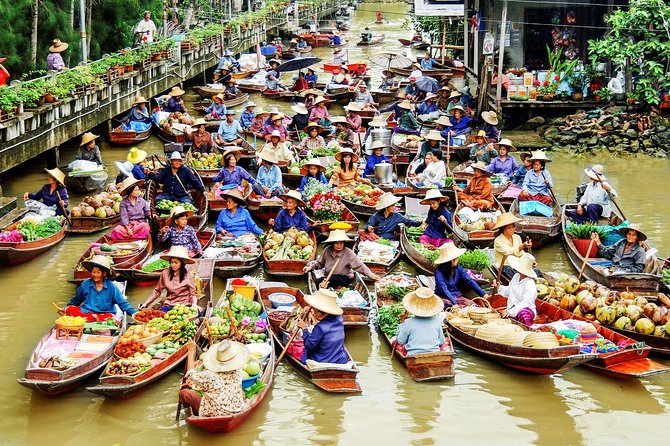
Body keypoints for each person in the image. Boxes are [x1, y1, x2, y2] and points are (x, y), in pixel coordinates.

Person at [179, 340, 248, 417]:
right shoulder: (238, 371)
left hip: (213, 414)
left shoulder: (210, 376)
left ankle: (189, 412)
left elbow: (189, 376)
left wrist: (191, 351)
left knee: (184, 393)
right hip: (237, 410)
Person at [65, 255, 137, 321]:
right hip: (87, 314)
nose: (95, 275)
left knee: (110, 320)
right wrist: (66, 308)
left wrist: (134, 313)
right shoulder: (85, 284)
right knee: (69, 309)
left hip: (104, 316)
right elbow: (76, 300)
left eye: (98, 272)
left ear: (104, 274)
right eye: (93, 272)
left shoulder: (111, 287)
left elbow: (123, 304)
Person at [304, 230, 379, 286]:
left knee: (332, 279)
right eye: (337, 243)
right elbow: (319, 263)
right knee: (317, 282)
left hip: (343, 278)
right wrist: (310, 267)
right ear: (333, 243)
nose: (339, 245)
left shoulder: (348, 252)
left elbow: (360, 266)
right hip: (328, 277)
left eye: (341, 243)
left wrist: (371, 275)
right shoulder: (327, 250)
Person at [295, 289, 349, 365]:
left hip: (322, 360)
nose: (313, 314)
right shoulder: (339, 318)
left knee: (296, 349)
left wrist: (304, 329)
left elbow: (309, 346)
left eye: (315, 311)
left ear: (324, 313)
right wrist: (311, 306)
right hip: (340, 359)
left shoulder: (320, 328)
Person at [140, 246, 198, 311]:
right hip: (169, 304)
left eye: (176, 263)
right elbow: (157, 291)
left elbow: (193, 294)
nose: (173, 265)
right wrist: (146, 304)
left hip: (184, 305)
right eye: (171, 262)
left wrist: (194, 304)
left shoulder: (188, 276)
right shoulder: (165, 273)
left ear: (182, 263)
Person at [433, 242, 489, 308]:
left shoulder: (458, 268)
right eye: (456, 258)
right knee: (452, 307)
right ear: (451, 261)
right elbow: (443, 288)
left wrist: (483, 294)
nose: (457, 259)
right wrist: (454, 303)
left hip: (456, 296)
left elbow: (469, 280)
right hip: (444, 297)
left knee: (474, 306)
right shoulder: (439, 271)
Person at [395, 287, 446, 356]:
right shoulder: (436, 321)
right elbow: (441, 341)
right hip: (434, 354)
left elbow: (401, 341)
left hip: (413, 355)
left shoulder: (408, 322)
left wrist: (402, 323)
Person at [493, 253, 538, 325]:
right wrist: (499, 287)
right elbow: (509, 291)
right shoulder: (516, 276)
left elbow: (526, 303)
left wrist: (511, 311)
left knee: (523, 314)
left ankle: (527, 328)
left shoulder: (529, 283)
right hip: (511, 308)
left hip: (525, 310)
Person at [493, 212, 533, 278]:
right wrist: (522, 246)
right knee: (509, 270)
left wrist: (530, 261)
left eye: (513, 227)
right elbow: (507, 252)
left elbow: (521, 253)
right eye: (509, 228)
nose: (512, 229)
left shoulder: (517, 237)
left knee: (535, 271)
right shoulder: (498, 240)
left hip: (517, 266)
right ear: (503, 229)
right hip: (504, 266)